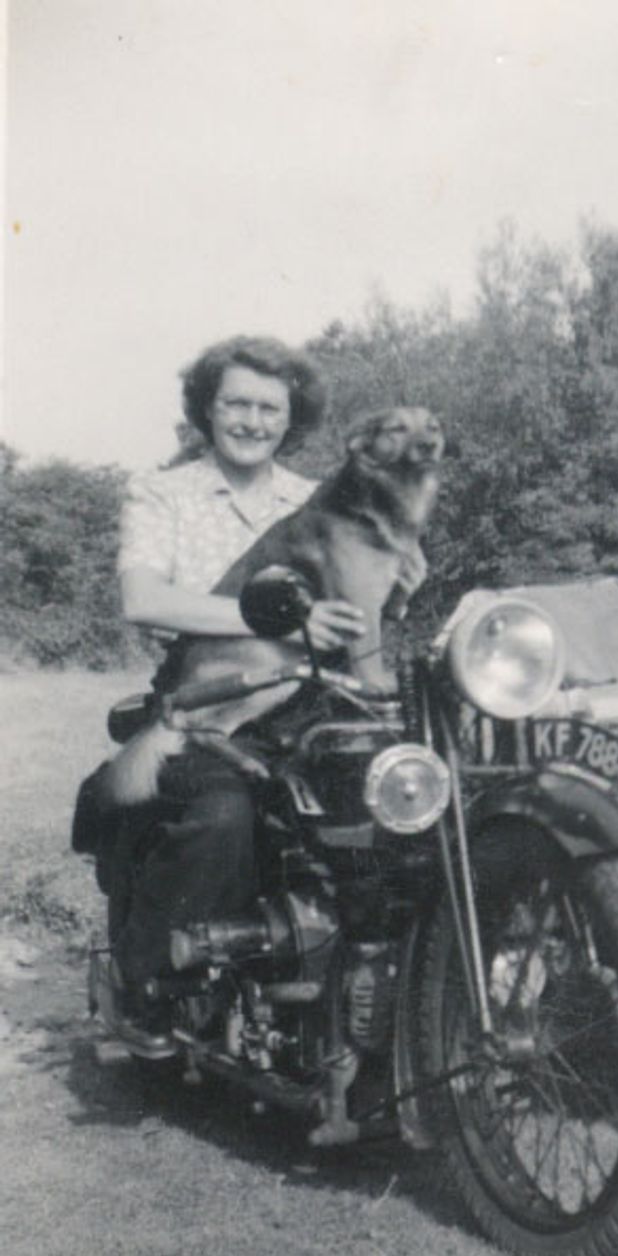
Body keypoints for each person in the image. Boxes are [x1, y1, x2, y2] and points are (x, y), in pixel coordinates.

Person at [111, 335, 365, 1042]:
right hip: (204, 703)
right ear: (207, 409)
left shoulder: (315, 499)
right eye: (236, 404)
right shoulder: (163, 492)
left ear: (292, 417)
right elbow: (143, 598)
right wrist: (274, 619)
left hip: (308, 697)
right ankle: (147, 981)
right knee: (223, 815)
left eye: (269, 408)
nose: (252, 422)